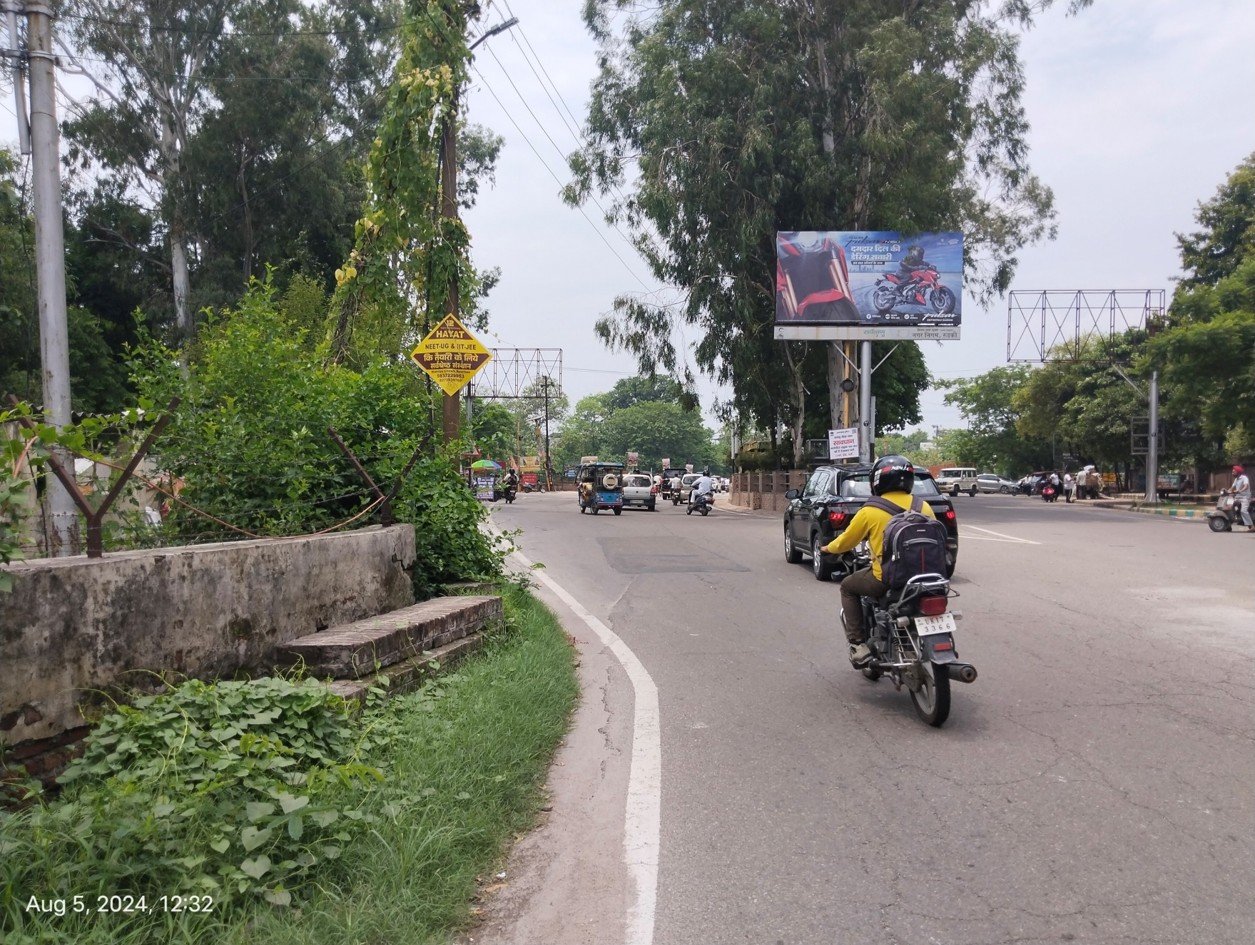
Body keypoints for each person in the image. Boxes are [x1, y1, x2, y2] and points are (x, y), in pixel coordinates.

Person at [824, 455, 935, 666]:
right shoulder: (924, 507)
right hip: (927, 578)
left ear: (876, 482)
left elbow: (846, 542)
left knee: (848, 587)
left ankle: (858, 644)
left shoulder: (870, 510)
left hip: (889, 579)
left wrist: (827, 548)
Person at [1232, 464, 1252, 531]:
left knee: (1243, 511)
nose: (1232, 472)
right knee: (1229, 506)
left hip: (1245, 497)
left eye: (1234, 471)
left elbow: (1246, 486)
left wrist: (1240, 490)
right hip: (1238, 497)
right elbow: (1232, 488)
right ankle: (1228, 524)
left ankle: (1251, 526)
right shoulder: (1236, 479)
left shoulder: (1244, 478)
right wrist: (1225, 491)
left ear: (1238, 472)